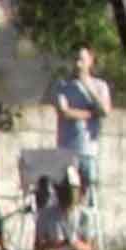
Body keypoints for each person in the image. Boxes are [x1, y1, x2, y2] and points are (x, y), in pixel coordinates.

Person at [53, 44, 112, 190]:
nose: (77, 63)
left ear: (90, 61)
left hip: (88, 151)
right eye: (75, 59)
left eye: (81, 59)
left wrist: (87, 85)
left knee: (90, 195)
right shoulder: (63, 85)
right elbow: (64, 112)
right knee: (66, 196)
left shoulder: (100, 86)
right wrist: (91, 114)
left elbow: (105, 110)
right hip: (66, 151)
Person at [35, 172, 96, 250]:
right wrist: (53, 244)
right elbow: (38, 246)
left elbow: (90, 246)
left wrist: (74, 244)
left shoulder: (85, 216)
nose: (69, 194)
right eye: (65, 190)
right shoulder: (45, 215)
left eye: (73, 190)